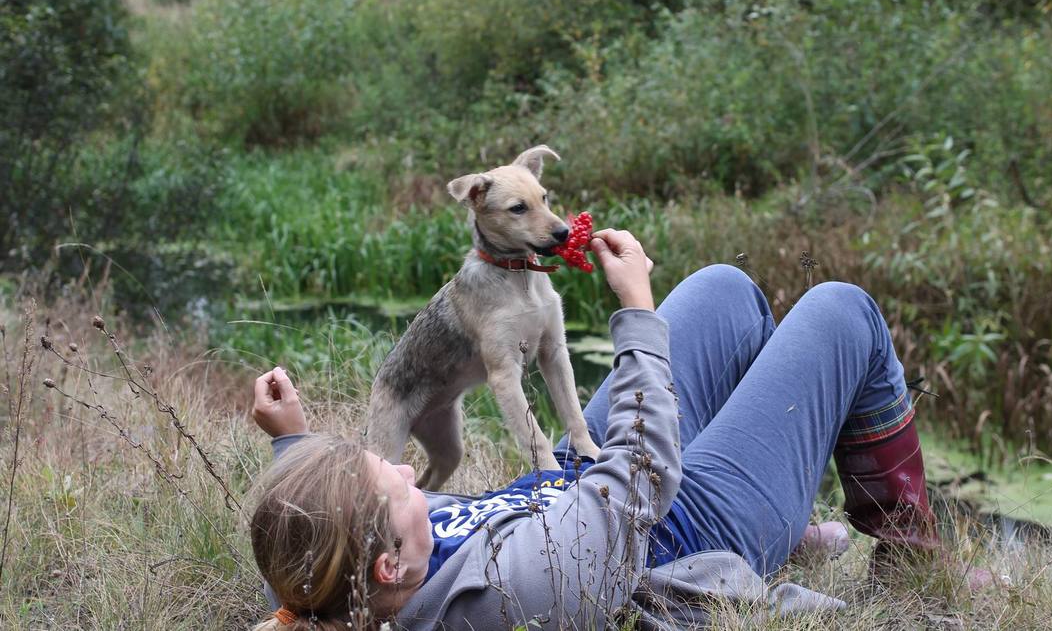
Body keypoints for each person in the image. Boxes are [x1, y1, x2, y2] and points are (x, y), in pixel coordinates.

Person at [248, 229, 987, 630]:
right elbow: (637, 478)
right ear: (385, 565)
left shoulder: (366, 567)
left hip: (587, 481)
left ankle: (784, 509)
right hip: (677, 521)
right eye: (394, 482)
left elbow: (322, 529)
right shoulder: (518, 590)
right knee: (841, 310)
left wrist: (297, 444)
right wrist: (636, 310)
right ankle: (908, 556)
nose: (411, 472)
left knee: (725, 292)